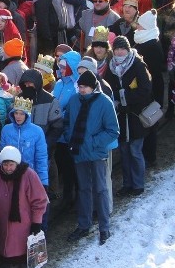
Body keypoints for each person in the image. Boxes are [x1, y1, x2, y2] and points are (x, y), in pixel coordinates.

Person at [63, 70, 119, 245]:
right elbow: (67, 122)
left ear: (93, 87)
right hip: (79, 152)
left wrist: (94, 143)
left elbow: (113, 130)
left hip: (96, 154)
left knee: (100, 190)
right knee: (84, 189)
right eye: (79, 86)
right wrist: (69, 137)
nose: (81, 89)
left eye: (84, 87)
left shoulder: (104, 102)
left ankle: (104, 227)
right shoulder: (74, 101)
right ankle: (83, 225)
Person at [0, 146, 48, 268]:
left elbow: (39, 200)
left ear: (17, 163)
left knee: (21, 257)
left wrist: (37, 222)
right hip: (1, 223)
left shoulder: (28, 175)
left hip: (22, 225)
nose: (7, 168)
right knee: (4, 255)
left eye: (11, 164)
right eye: (5, 164)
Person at [104, 36, 153, 197]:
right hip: (120, 115)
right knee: (124, 151)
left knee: (135, 150)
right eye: (116, 49)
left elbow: (146, 89)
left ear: (128, 49)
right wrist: (117, 100)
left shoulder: (138, 65)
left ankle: (138, 184)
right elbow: (107, 88)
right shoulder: (110, 68)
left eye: (122, 49)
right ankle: (127, 183)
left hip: (135, 115)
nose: (119, 52)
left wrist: (127, 97)